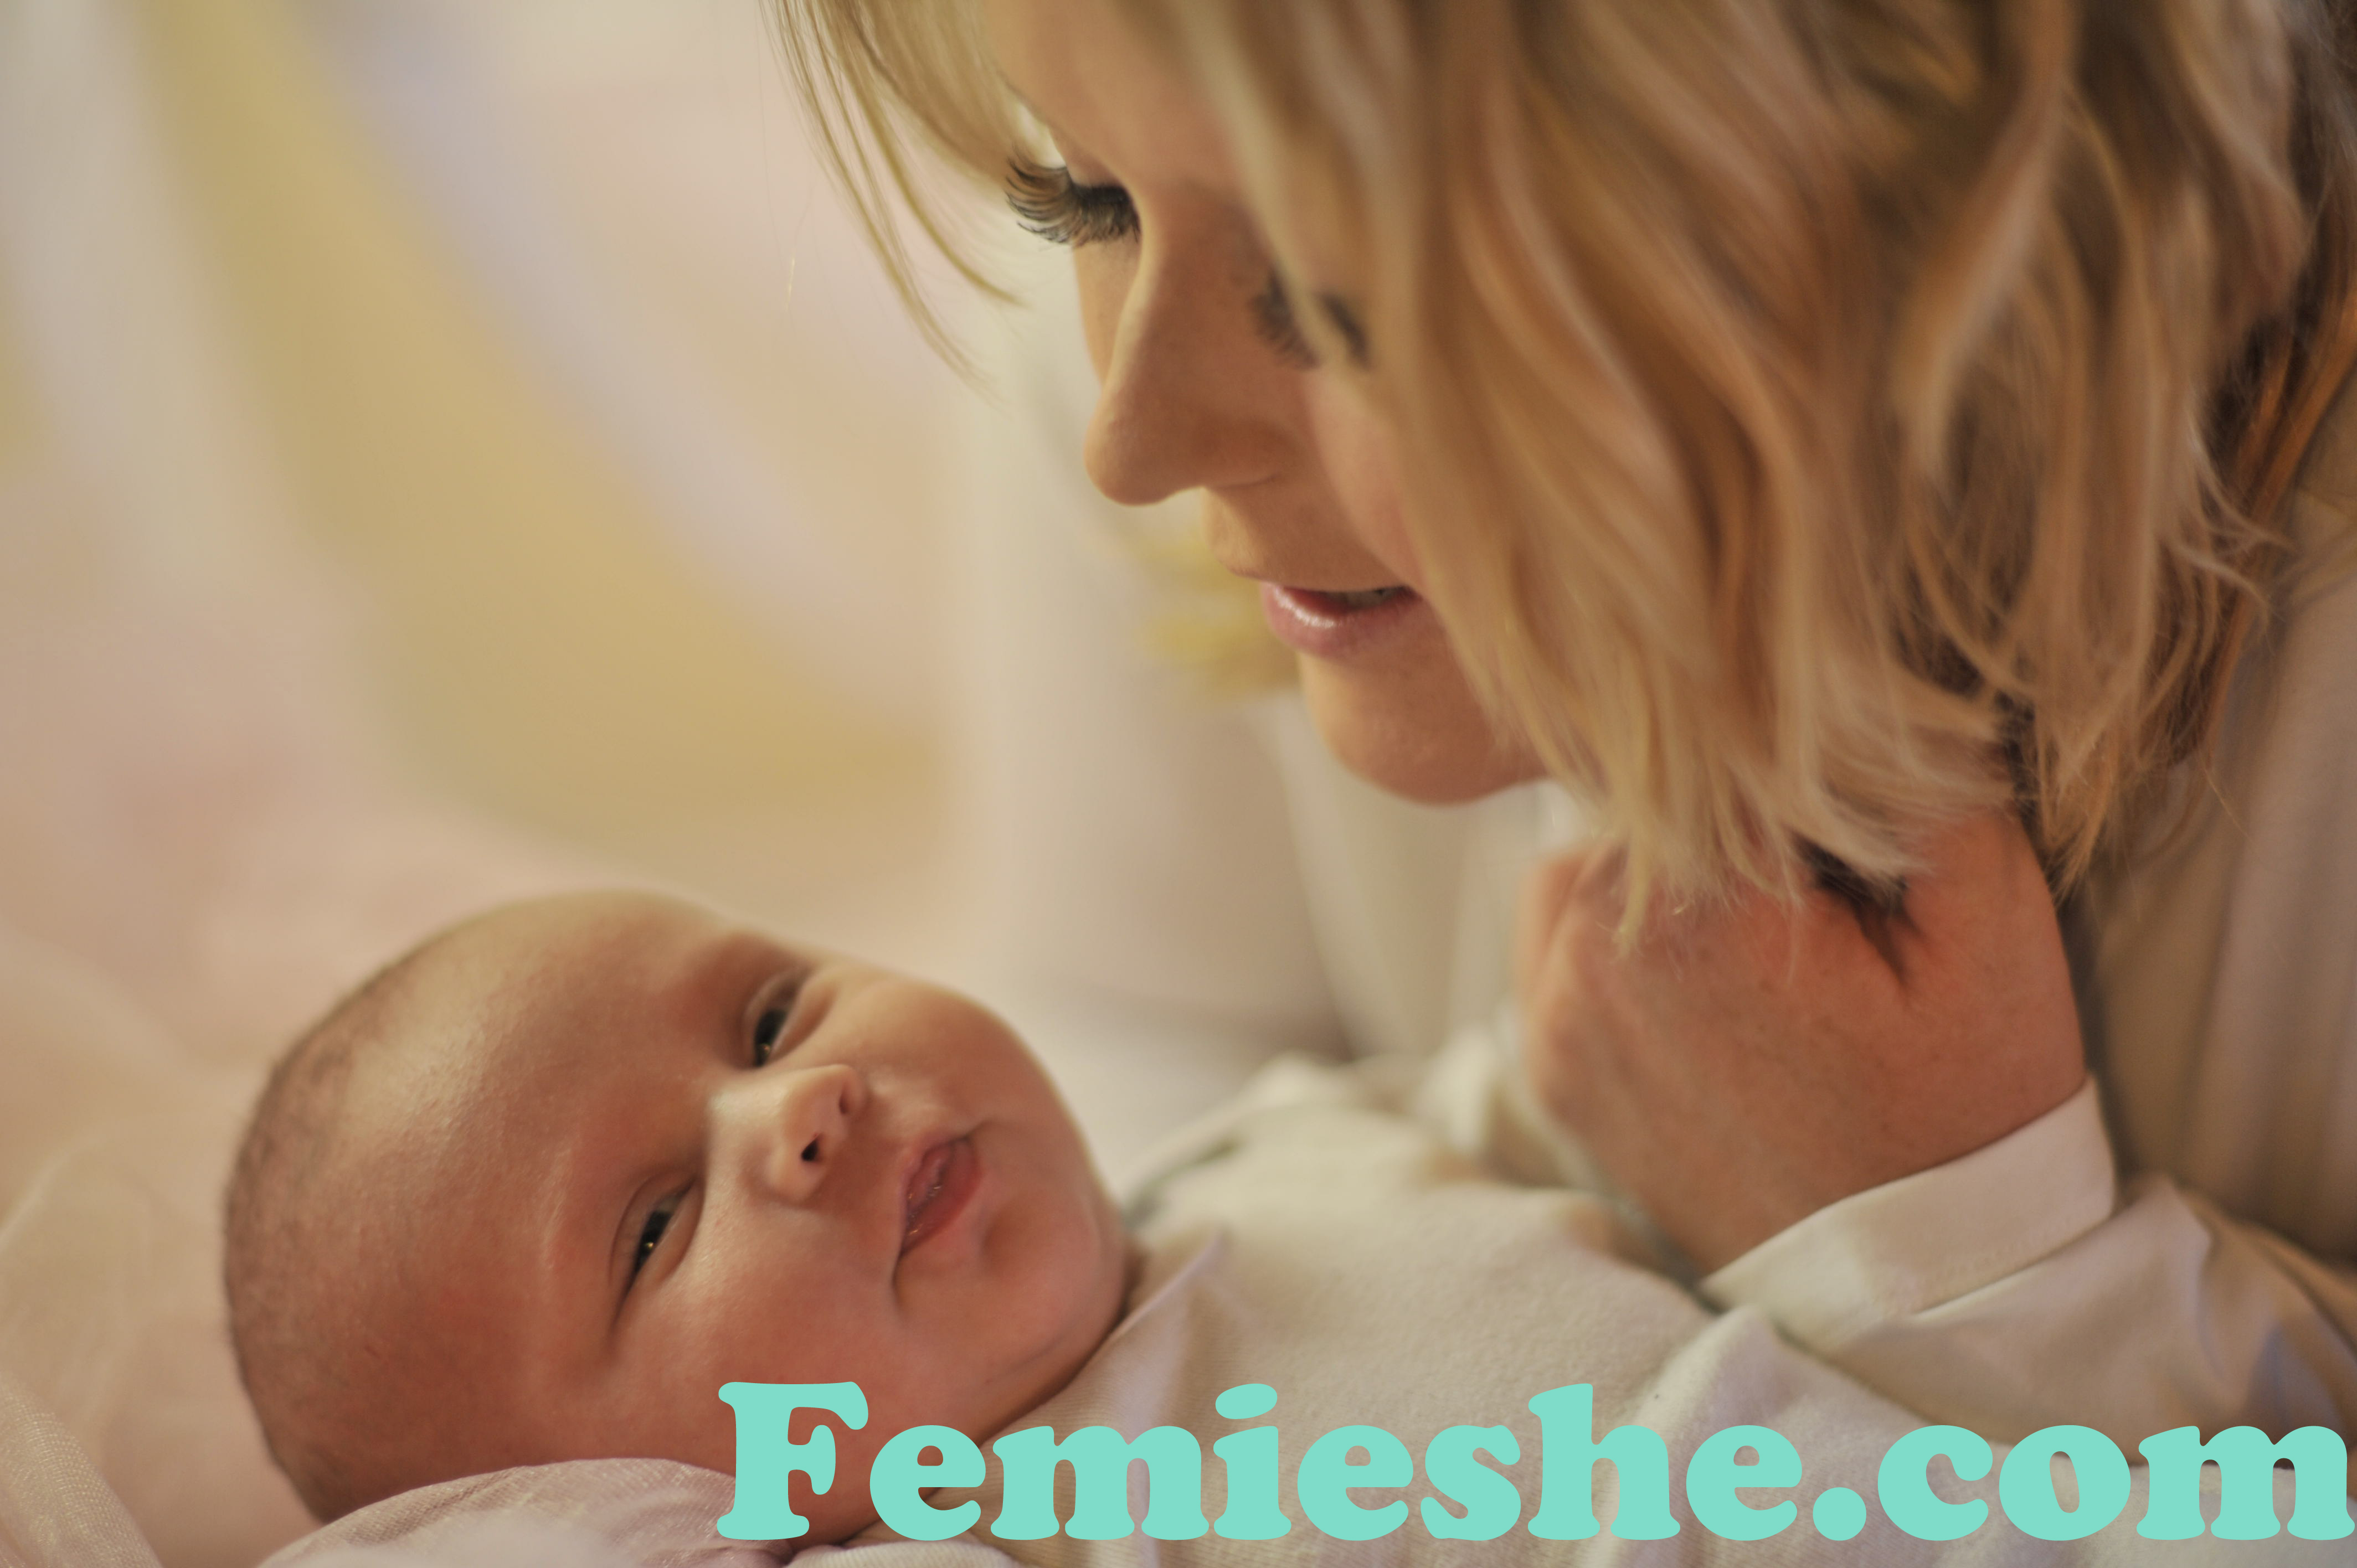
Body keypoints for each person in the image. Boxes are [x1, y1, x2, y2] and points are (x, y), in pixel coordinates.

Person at [774, 0, 2357, 1449]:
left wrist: (1972, 1273)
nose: (1136, 441)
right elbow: (1127, 1040)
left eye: (1336, 293)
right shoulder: (1131, 274)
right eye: (1083, 200)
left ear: (1943, 197)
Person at [222, 891, 2345, 1562]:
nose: (802, 1105)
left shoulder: (1288, 1147)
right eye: (652, 1227)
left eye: (770, 1015)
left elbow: (1606, 1127)